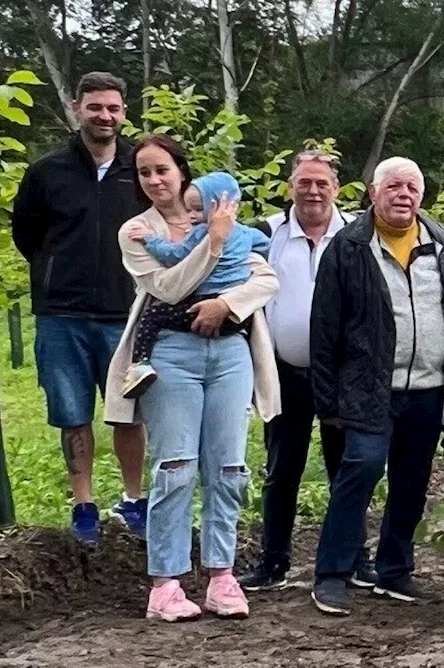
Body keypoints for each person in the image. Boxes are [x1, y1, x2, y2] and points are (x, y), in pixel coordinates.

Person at [104, 134, 281, 621]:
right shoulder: (136, 231)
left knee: (228, 466)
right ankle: (166, 583)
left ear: (182, 172)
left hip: (229, 351)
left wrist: (227, 303)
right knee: (175, 466)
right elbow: (168, 286)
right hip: (171, 354)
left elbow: (266, 278)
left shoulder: (221, 215)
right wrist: (215, 244)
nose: (155, 180)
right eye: (144, 172)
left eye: (162, 169)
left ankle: (221, 575)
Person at [309, 157, 444, 617]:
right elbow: (324, 327)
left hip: (429, 386)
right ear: (373, 193)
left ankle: (395, 570)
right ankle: (333, 572)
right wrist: (326, 398)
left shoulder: (443, 246)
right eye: (393, 187)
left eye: (411, 187)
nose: (403, 195)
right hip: (369, 386)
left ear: (421, 197)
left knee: (412, 479)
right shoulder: (348, 248)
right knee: (361, 470)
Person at [11, 71, 148, 542]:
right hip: (61, 315)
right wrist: (57, 271)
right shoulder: (47, 171)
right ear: (76, 108)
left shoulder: (140, 169)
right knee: (72, 412)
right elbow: (27, 234)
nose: (104, 116)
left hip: (125, 313)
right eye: (95, 107)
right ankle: (84, 504)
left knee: (128, 411)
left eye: (113, 108)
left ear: (124, 112)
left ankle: (134, 500)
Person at [238, 150, 361, 592]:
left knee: (346, 470)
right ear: (291, 185)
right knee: (281, 469)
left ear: (336, 189)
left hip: (342, 376)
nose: (313, 191)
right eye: (304, 182)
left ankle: (353, 559)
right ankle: (274, 561)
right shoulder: (265, 234)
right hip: (284, 372)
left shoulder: (356, 234)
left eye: (321, 183)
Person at [121, 172, 270, 397]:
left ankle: (139, 365)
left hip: (199, 306)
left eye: (198, 210)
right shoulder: (247, 233)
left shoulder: (201, 233)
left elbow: (174, 254)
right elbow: (266, 245)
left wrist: (149, 239)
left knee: (152, 317)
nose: (191, 216)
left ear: (220, 206)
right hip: (236, 318)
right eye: (188, 209)